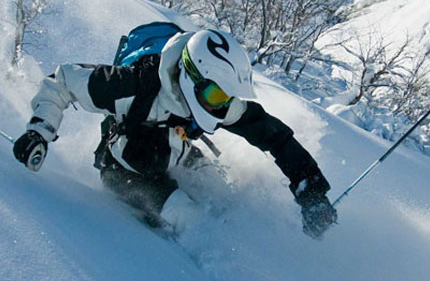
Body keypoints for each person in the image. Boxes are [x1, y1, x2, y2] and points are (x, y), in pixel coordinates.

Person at [12, 28, 337, 238]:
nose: (219, 107)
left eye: (226, 99)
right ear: (191, 75)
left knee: (223, 201)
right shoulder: (132, 85)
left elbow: (273, 135)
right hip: (126, 168)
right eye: (214, 96)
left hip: (177, 150)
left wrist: (311, 190)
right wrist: (38, 131)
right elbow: (63, 82)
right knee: (195, 221)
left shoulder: (215, 102)